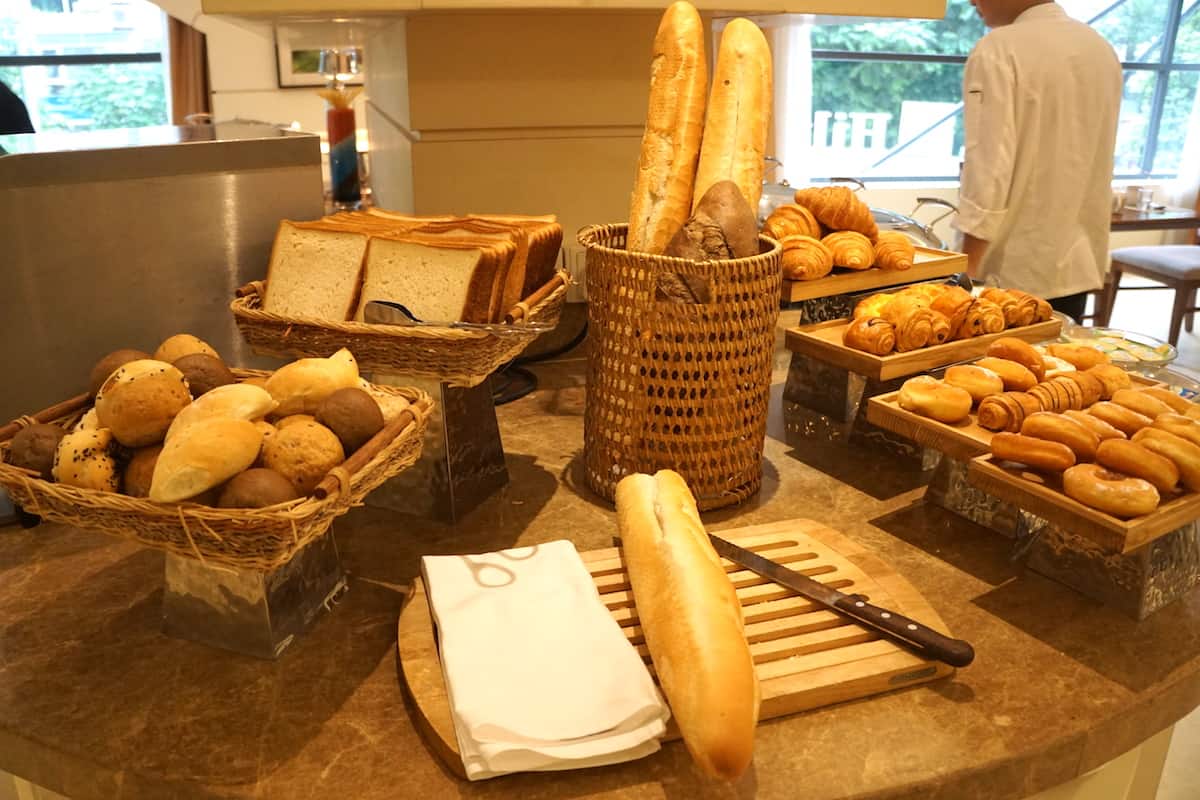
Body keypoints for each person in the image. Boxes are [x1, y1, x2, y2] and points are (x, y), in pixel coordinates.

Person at [955, 0, 1122, 322]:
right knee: (1052, 367)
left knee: (992, 370)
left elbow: (989, 165)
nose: (971, 1)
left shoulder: (999, 48)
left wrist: (967, 266)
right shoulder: (1099, 48)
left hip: (1010, 267)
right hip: (1076, 260)